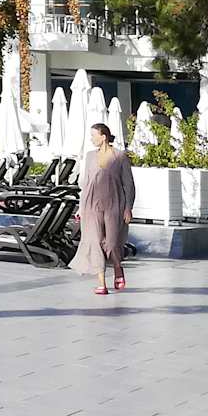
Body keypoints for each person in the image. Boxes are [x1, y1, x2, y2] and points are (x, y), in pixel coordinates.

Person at [74, 121, 136, 295]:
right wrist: (80, 207)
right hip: (91, 205)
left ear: (104, 136)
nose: (91, 139)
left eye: (94, 135)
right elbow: (86, 183)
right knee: (94, 242)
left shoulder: (120, 157)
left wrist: (128, 207)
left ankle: (117, 266)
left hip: (114, 205)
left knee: (112, 243)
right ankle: (101, 283)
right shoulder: (90, 156)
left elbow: (129, 185)